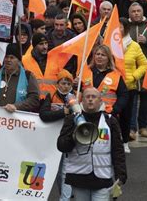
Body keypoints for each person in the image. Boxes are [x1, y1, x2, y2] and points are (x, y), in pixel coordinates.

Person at [57, 87, 127, 201]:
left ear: (100, 101)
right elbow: (61, 146)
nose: (90, 99)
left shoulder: (110, 121)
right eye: (87, 97)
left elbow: (118, 150)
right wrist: (74, 135)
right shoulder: (72, 119)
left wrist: (121, 175)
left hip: (102, 178)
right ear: (82, 101)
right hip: (79, 177)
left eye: (93, 97)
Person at [81, 45, 129, 152]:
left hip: (107, 115)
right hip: (86, 114)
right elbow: (79, 91)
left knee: (104, 144)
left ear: (108, 58)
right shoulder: (85, 71)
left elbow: (124, 95)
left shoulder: (116, 75)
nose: (99, 57)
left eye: (103, 55)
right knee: (86, 144)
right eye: (97, 54)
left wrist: (116, 109)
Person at [39, 70, 75, 201]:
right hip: (52, 139)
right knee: (58, 172)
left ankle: (64, 198)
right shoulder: (50, 96)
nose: (65, 86)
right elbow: (44, 115)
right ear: (57, 83)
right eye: (63, 83)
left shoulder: (77, 97)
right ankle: (65, 194)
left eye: (68, 83)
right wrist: (62, 112)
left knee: (66, 170)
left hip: (69, 138)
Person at [0, 44, 40, 112]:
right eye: (6, 57)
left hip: (16, 119)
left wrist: (16, 106)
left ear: (19, 61)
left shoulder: (28, 76)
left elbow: (34, 99)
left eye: (12, 57)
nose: (8, 60)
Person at [120, 18, 147, 142]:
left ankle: (126, 140)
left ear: (126, 29)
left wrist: (134, 76)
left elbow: (144, 64)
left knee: (127, 114)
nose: (118, 29)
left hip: (129, 86)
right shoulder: (109, 43)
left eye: (120, 27)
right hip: (112, 85)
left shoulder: (134, 45)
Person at [128, 2, 147, 138]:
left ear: (142, 12)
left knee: (145, 100)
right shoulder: (125, 28)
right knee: (132, 100)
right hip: (131, 69)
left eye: (138, 11)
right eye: (133, 11)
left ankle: (143, 127)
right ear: (129, 14)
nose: (136, 13)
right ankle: (132, 129)